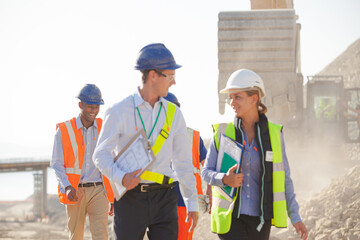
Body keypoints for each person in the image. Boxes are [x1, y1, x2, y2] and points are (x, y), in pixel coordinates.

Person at [93, 43, 199, 240]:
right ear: (152, 75)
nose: (174, 82)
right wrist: (121, 177)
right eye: (170, 76)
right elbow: (100, 154)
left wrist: (192, 202)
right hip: (130, 199)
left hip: (166, 198)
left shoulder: (174, 114)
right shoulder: (118, 111)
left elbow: (183, 162)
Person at [201, 69, 308, 240]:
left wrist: (295, 217)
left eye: (237, 97)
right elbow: (206, 172)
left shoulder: (274, 135)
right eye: (231, 97)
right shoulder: (222, 133)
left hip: (260, 221)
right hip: (230, 219)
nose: (232, 102)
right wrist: (224, 179)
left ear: (254, 98)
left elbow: (284, 178)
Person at [51, 84, 114, 240]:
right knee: (76, 236)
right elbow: (56, 163)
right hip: (75, 191)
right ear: (80, 105)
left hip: (99, 190)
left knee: (101, 235)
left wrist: (114, 193)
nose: (94, 110)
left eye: (97, 106)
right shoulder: (64, 130)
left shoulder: (104, 127)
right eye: (90, 106)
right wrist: (66, 186)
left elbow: (112, 159)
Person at [164, 92, 208, 240]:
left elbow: (208, 166)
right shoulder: (151, 136)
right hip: (159, 201)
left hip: (184, 201)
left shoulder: (193, 137)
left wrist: (209, 190)